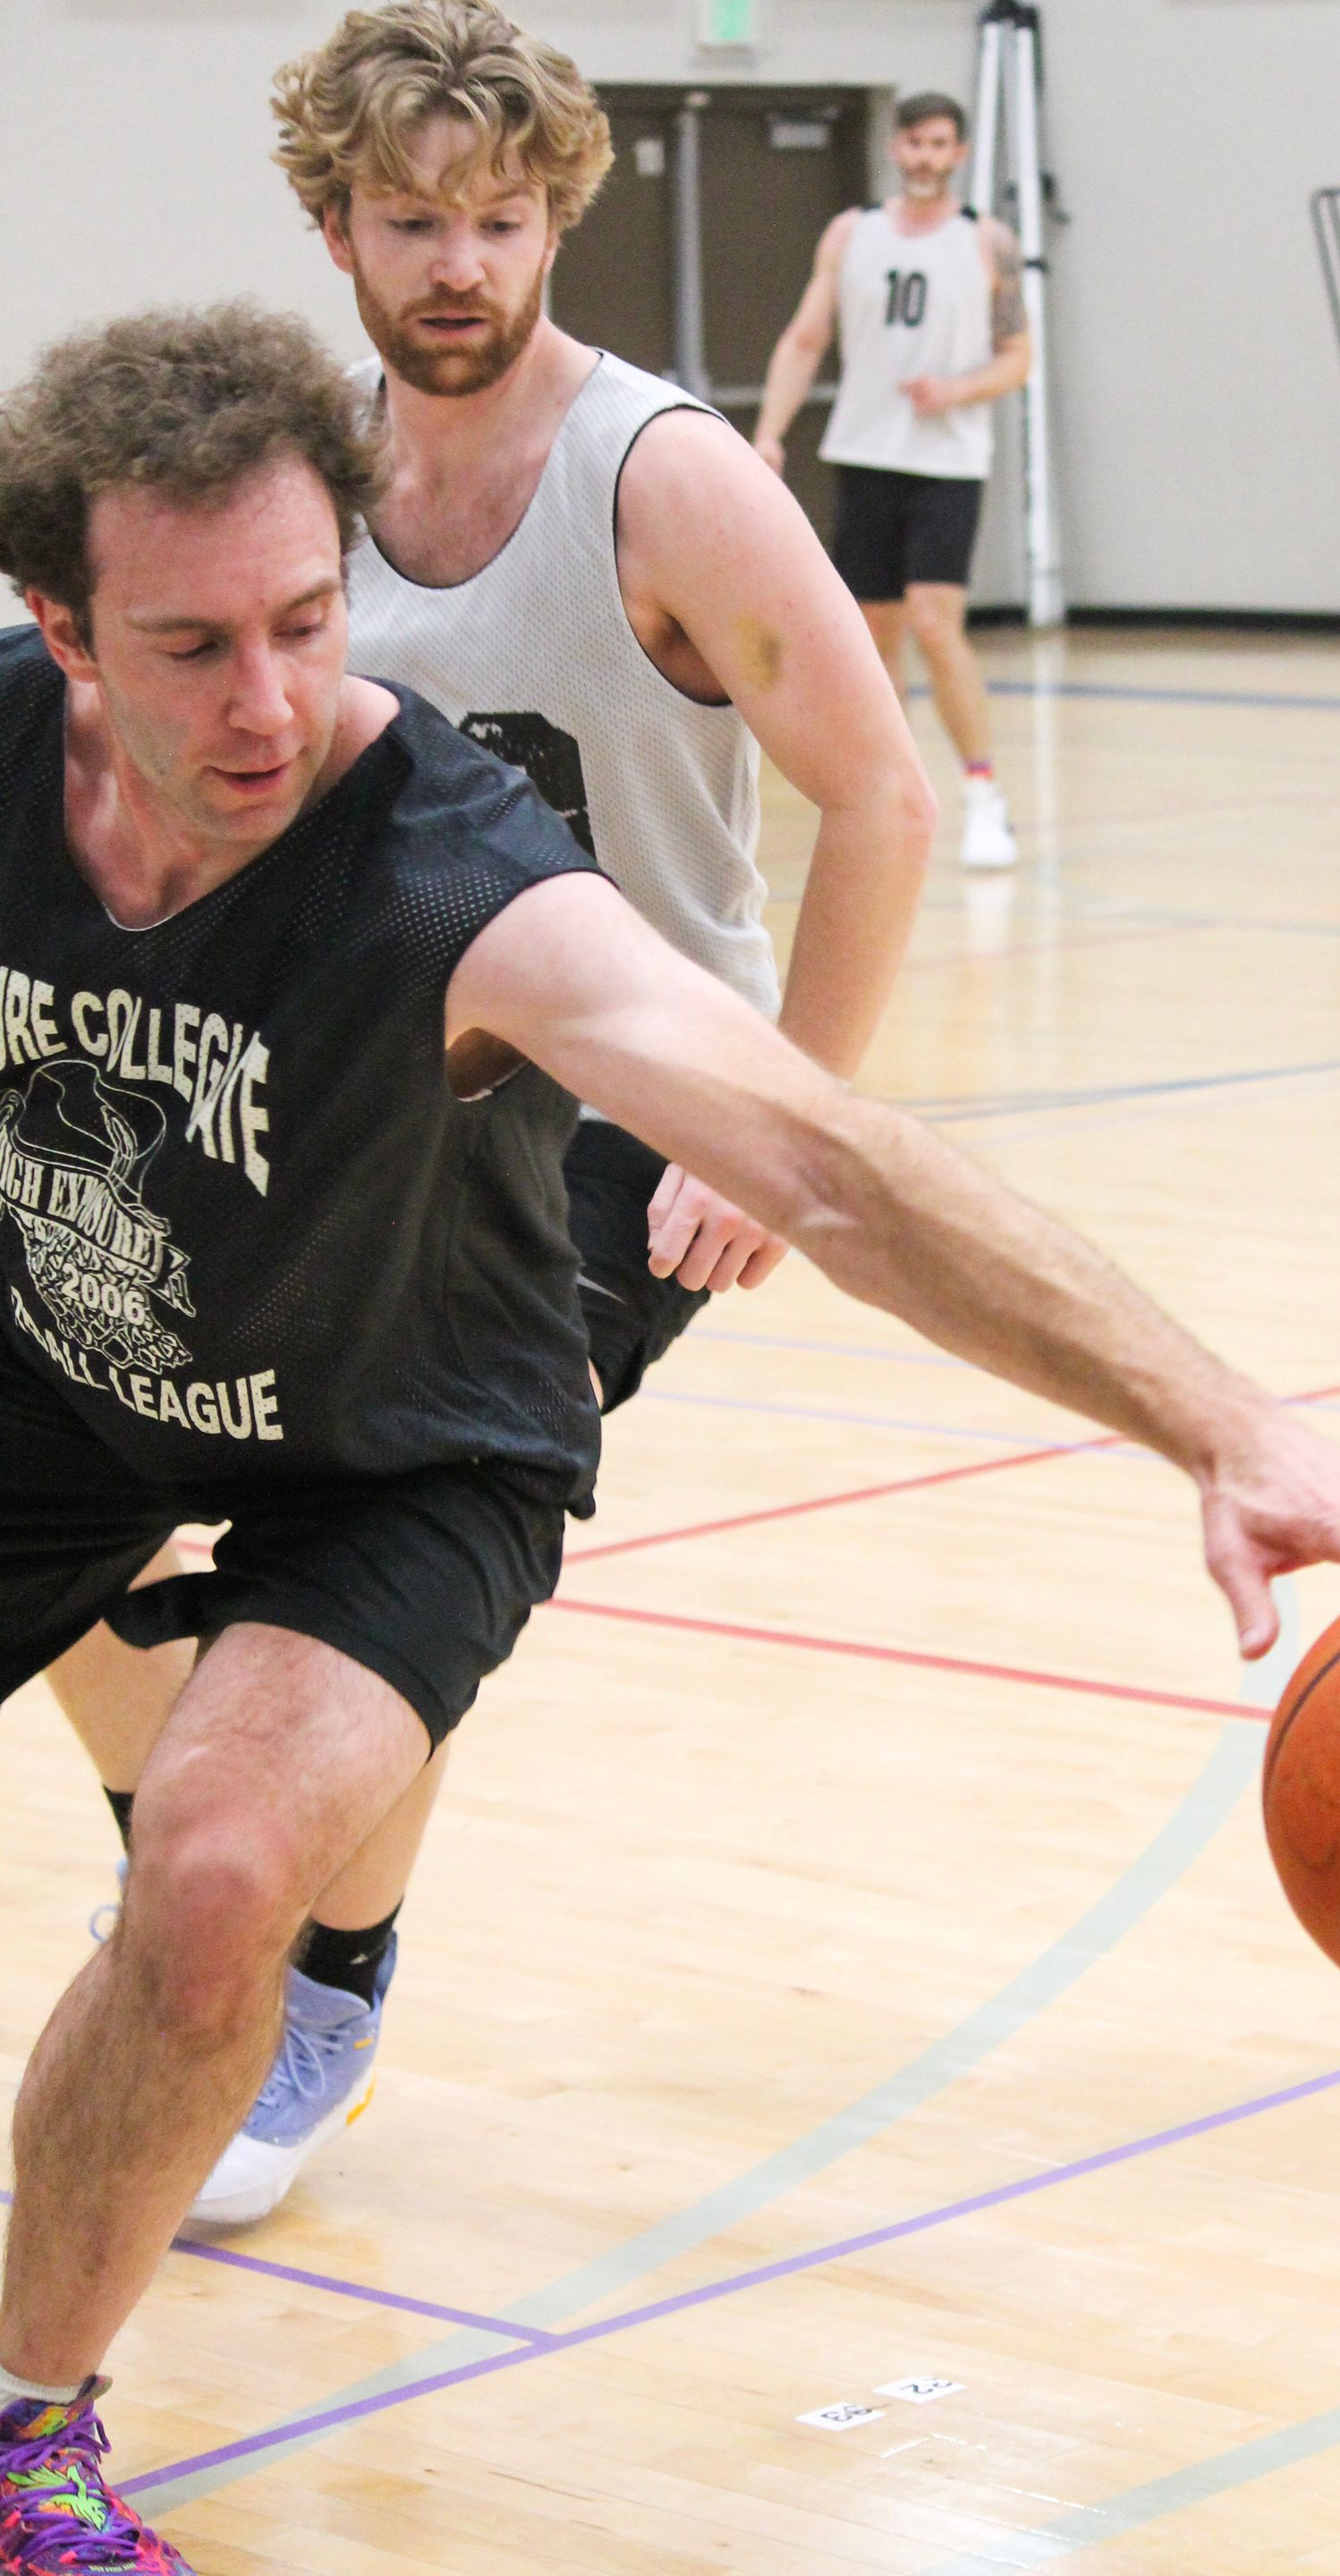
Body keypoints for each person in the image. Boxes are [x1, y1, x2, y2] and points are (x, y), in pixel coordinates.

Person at [0, 301, 1340, 2576]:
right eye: (191, 647)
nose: (269, 701)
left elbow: (829, 1160)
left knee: (215, 1879)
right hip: (68, 1357)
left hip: (405, 1433)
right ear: (62, 631)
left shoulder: (444, 866)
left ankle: (28, 2438)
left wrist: (1217, 1418)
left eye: (308, 621)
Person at [46, 0, 938, 2230]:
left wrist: (766, 1130)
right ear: (335, 230)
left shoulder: (663, 479)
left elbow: (880, 797)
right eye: (410, 219)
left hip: (606, 1112)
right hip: (333, 1063)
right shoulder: (306, 477)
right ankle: (207, 1876)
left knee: (381, 1509)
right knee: (68, 1415)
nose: (459, 262)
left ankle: (315, 1968)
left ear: (560, 223)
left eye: (503, 219)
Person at [755, 90, 1029, 870]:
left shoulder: (987, 242)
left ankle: (983, 793)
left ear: (959, 153)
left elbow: (1018, 357)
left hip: (946, 460)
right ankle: (896, 795)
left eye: (939, 144)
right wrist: (769, 433)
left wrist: (958, 389)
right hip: (867, 451)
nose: (924, 157)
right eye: (913, 142)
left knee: (936, 623)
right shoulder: (852, 233)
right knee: (874, 636)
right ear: (895, 148)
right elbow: (807, 337)